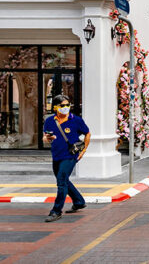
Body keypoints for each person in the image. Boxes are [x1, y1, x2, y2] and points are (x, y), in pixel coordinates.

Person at [42, 94, 90, 222]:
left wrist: (84, 149)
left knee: (61, 181)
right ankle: (79, 201)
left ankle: (56, 211)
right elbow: (44, 138)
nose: (66, 108)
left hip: (70, 155)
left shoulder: (76, 120)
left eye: (67, 105)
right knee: (62, 180)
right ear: (55, 107)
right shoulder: (49, 121)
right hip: (56, 155)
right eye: (62, 105)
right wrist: (48, 139)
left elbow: (87, 133)